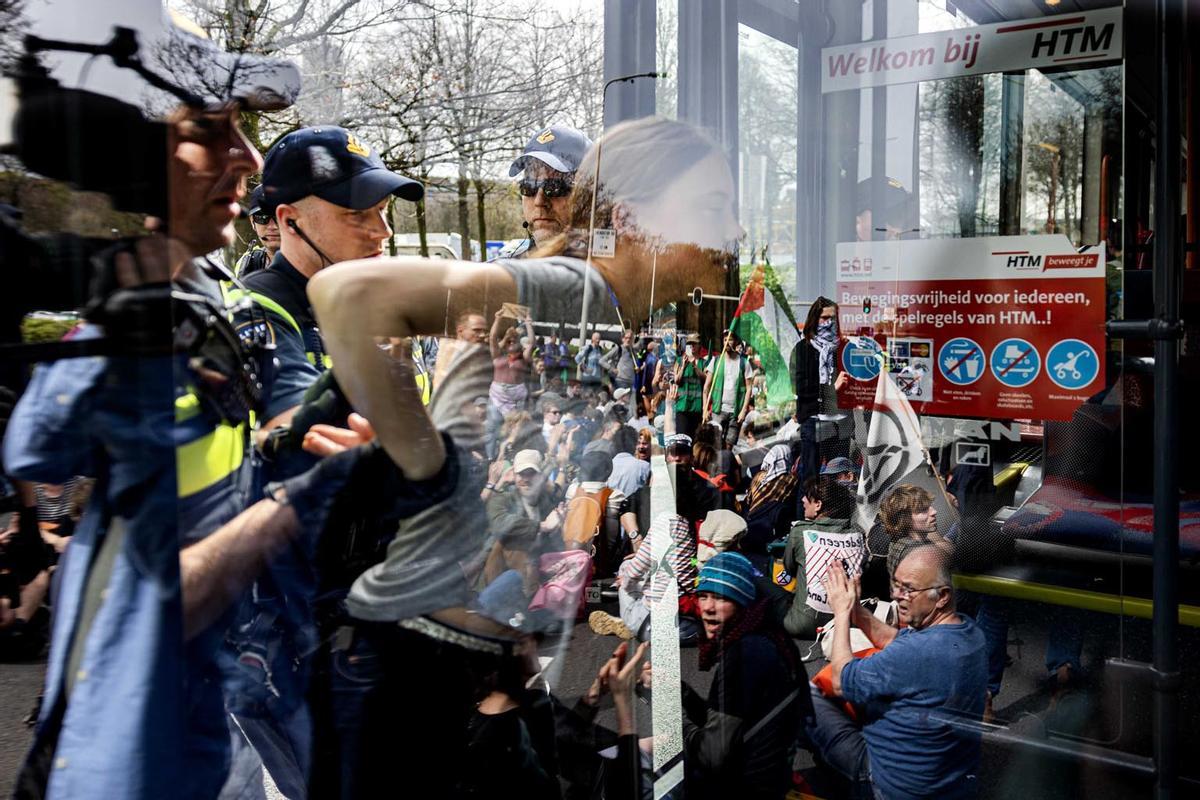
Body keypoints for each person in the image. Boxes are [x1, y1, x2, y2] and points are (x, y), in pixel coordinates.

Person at [2, 10, 313, 795]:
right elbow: (39, 448)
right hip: (136, 717)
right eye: (213, 132)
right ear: (134, 162)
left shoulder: (204, 286)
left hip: (222, 687)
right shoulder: (131, 297)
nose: (246, 158)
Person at [233, 125, 424, 452]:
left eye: (383, 210)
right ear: (291, 220)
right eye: (358, 214)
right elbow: (304, 436)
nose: (384, 231)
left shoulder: (378, 298)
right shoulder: (256, 306)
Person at [598, 552, 807, 800]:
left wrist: (670, 713)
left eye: (720, 597)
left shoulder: (743, 657)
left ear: (744, 602)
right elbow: (727, 722)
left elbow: (712, 756)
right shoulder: (769, 641)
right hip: (766, 775)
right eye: (703, 596)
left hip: (740, 787)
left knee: (615, 765)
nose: (707, 607)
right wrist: (680, 692)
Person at [806, 547, 987, 799]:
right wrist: (857, 610)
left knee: (806, 693)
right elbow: (893, 640)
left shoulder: (916, 653)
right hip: (948, 783)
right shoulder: (970, 633)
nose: (897, 596)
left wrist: (841, 613)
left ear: (942, 596)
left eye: (909, 589)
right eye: (896, 585)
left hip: (890, 786)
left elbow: (839, 680)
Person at [496, 125, 593, 259]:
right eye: (529, 187)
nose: (539, 201)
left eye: (554, 187)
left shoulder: (604, 273)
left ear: (587, 197)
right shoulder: (505, 273)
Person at [781, 477, 861, 638]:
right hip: (847, 624)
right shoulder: (858, 534)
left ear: (818, 504)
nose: (803, 500)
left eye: (807, 496)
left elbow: (789, 569)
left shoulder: (800, 531)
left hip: (802, 624)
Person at [793, 297, 850, 484]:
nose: (829, 323)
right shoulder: (803, 349)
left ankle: (834, 513)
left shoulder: (842, 349)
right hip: (814, 421)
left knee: (840, 481)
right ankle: (806, 514)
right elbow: (802, 388)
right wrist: (832, 388)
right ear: (814, 319)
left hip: (839, 422)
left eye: (833, 318)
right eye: (825, 318)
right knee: (810, 480)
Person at [702, 329, 753, 449]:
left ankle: (725, 466)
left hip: (735, 412)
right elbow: (706, 387)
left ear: (735, 342)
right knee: (715, 443)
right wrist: (705, 408)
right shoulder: (716, 361)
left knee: (729, 445)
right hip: (718, 410)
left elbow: (749, 388)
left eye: (730, 339)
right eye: (725, 340)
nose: (727, 342)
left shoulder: (743, 363)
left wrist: (743, 410)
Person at [234, 184, 280, 278]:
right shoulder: (245, 264)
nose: (272, 226)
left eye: (278, 217)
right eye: (262, 217)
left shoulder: (314, 262)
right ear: (252, 222)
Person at [672, 333, 706, 439]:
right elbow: (676, 380)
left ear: (699, 345)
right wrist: (683, 366)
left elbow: (705, 379)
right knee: (681, 438)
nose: (692, 346)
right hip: (682, 406)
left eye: (694, 343)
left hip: (696, 407)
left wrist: (695, 367)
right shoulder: (679, 361)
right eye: (689, 344)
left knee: (694, 439)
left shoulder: (703, 363)